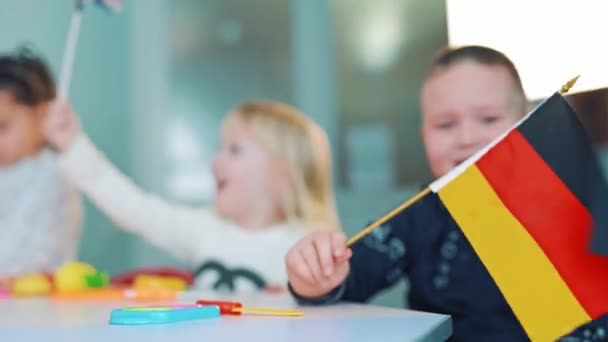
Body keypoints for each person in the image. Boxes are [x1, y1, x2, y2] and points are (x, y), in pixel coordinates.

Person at [286, 45, 540, 341]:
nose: (467, 138)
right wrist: (318, 275)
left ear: (529, 122)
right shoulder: (419, 215)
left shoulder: (572, 208)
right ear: (424, 137)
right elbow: (356, 271)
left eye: (489, 119)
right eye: (445, 125)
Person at [45, 99, 340, 293]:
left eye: (234, 150)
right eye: (220, 148)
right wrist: (73, 145)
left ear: (284, 175)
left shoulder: (310, 245)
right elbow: (136, 209)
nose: (215, 161)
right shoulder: (206, 228)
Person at [0, 47, 82, 281]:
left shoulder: (53, 173)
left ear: (43, 114)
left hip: (37, 305)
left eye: (3, 126)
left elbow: (22, 260)